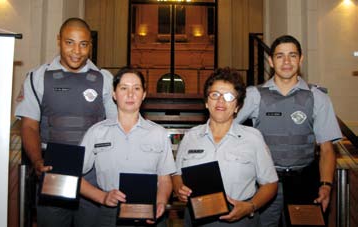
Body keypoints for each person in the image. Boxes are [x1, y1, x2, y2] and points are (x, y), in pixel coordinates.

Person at [15, 17, 117, 227]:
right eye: (69, 42)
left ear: (90, 45)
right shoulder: (38, 77)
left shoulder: (105, 79)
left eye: (83, 44)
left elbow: (115, 126)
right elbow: (29, 126)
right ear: (58, 40)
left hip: (93, 173)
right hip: (53, 170)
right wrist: (36, 161)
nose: (76, 51)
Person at [234, 35, 343, 226]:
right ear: (270, 61)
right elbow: (226, 127)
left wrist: (326, 185)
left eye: (292, 55)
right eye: (280, 56)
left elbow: (327, 149)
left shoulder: (317, 97)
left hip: (305, 182)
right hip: (264, 184)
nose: (286, 62)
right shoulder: (254, 95)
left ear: (300, 60)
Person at [172, 67, 278, 227]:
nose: (221, 101)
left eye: (229, 96)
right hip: (196, 218)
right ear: (207, 102)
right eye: (215, 95)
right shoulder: (191, 137)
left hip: (240, 219)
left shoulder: (253, 138)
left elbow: (270, 184)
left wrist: (250, 206)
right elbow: (176, 174)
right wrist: (179, 188)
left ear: (237, 106)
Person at [79, 67, 176, 226]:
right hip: (109, 214)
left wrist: (161, 202)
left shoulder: (158, 133)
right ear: (114, 94)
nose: (130, 94)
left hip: (149, 213)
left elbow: (165, 180)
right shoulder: (97, 133)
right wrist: (102, 197)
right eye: (124, 88)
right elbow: (74, 175)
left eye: (136, 88)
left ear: (143, 94)